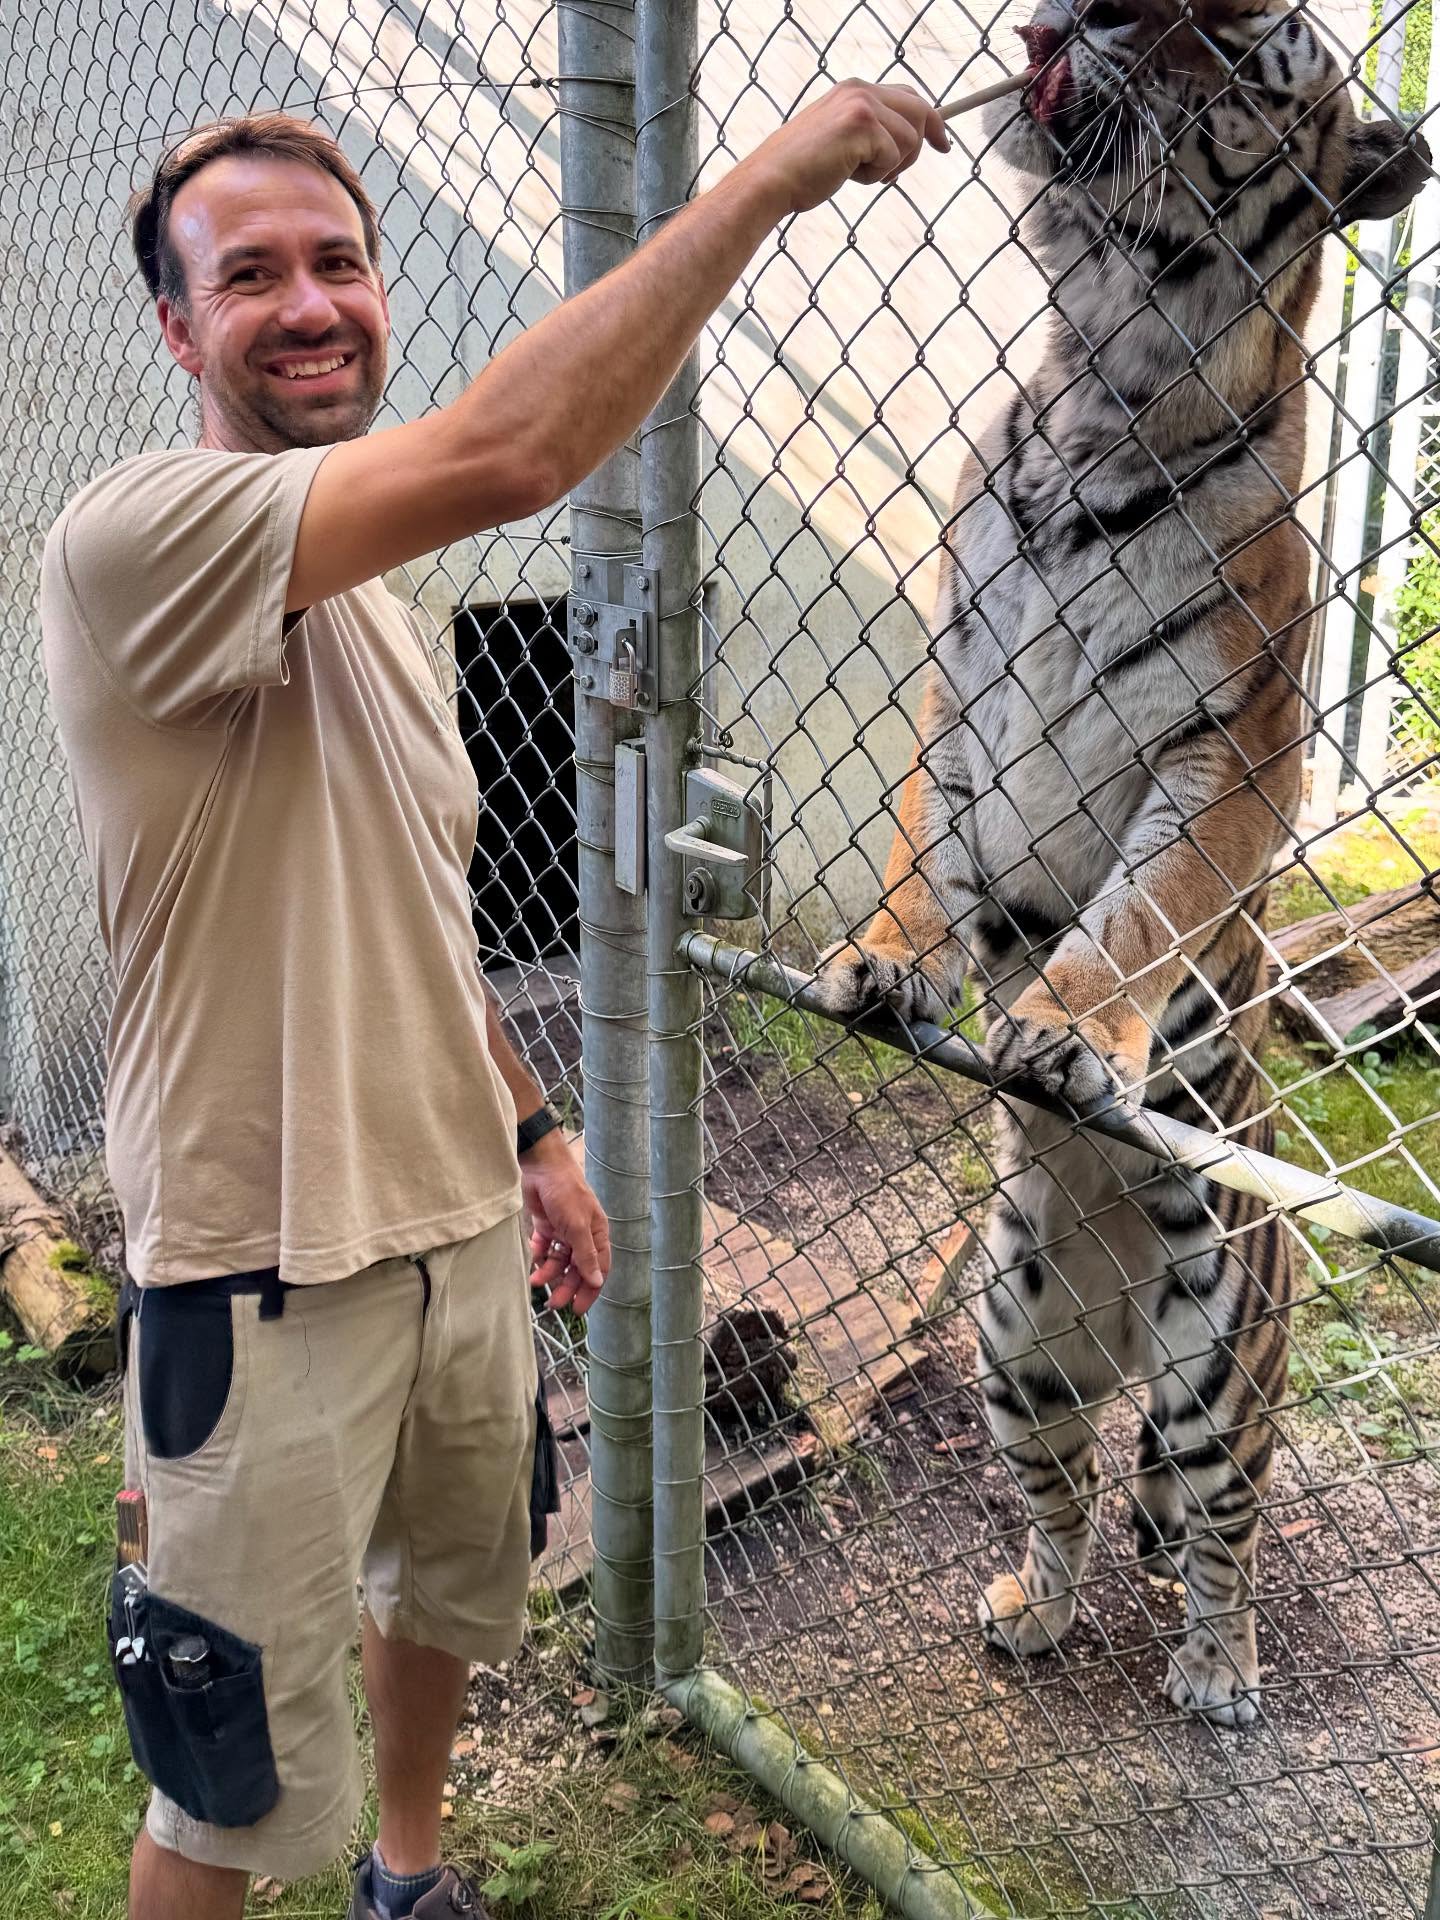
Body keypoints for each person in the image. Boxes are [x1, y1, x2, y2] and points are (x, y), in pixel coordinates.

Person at [39, 78, 948, 1920]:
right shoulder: (140, 534)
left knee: (445, 1593)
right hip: (263, 1256)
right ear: (172, 324)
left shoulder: (379, 590)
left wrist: (530, 1132)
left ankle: (410, 1875)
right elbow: (522, 450)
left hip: (453, 1225)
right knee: (218, 1765)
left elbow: (418, 911)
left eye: (340, 263)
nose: (309, 304)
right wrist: (772, 178)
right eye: (249, 276)